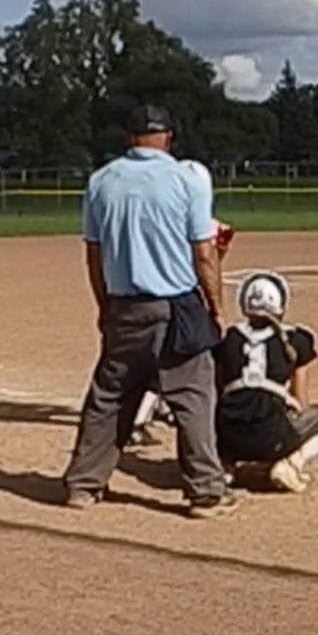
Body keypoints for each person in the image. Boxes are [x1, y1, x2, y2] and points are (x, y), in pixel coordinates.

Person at [62, 105, 237, 516]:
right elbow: (204, 254)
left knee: (109, 397)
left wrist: (105, 307)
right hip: (177, 306)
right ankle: (206, 491)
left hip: (124, 305)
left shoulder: (101, 181)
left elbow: (94, 254)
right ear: (168, 136)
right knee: (193, 396)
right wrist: (216, 308)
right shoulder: (186, 179)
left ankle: (83, 485)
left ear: (129, 137)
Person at [127, 158, 229, 445]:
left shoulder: (157, 218)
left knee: (160, 357)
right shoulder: (206, 225)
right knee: (180, 360)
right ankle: (141, 418)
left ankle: (160, 408)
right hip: (183, 299)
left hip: (149, 295)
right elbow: (207, 264)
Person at [213, 271, 318, 493]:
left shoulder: (228, 339)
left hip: (228, 437)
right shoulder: (296, 340)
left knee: (223, 412)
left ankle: (225, 466)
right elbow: (301, 400)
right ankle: (291, 465)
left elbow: (218, 390)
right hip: (271, 437)